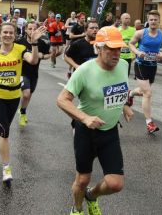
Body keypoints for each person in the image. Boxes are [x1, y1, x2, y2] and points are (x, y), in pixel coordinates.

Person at [57, 27, 134, 215]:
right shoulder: (84, 71)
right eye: (111, 49)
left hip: (110, 131)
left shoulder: (123, 66)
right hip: (86, 132)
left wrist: (124, 105)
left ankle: (91, 196)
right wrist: (85, 118)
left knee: (116, 184)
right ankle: (77, 208)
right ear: (98, 48)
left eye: (119, 49)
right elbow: (62, 99)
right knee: (82, 180)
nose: (116, 54)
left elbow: (116, 90)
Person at [0, 22, 46, 183]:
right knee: (6, 132)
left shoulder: (19, 49)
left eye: (11, 33)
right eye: (5, 32)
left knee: (5, 128)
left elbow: (32, 60)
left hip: (13, 97)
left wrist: (34, 43)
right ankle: (6, 168)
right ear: (0, 34)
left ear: (14, 34)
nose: (8, 35)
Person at [128, 10, 162, 134]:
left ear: (158, 21)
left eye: (155, 20)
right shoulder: (141, 33)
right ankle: (149, 122)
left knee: (142, 91)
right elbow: (130, 44)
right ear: (148, 20)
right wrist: (137, 52)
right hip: (141, 65)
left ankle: (130, 94)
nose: (153, 22)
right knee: (148, 93)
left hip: (153, 66)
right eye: (151, 19)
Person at [16, 21, 51, 126]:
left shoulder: (42, 43)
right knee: (26, 94)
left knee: (29, 94)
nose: (32, 31)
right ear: (25, 30)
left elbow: (49, 54)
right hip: (22, 72)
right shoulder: (20, 42)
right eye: (30, 29)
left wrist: (42, 56)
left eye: (34, 29)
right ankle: (22, 113)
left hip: (34, 73)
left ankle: (23, 109)